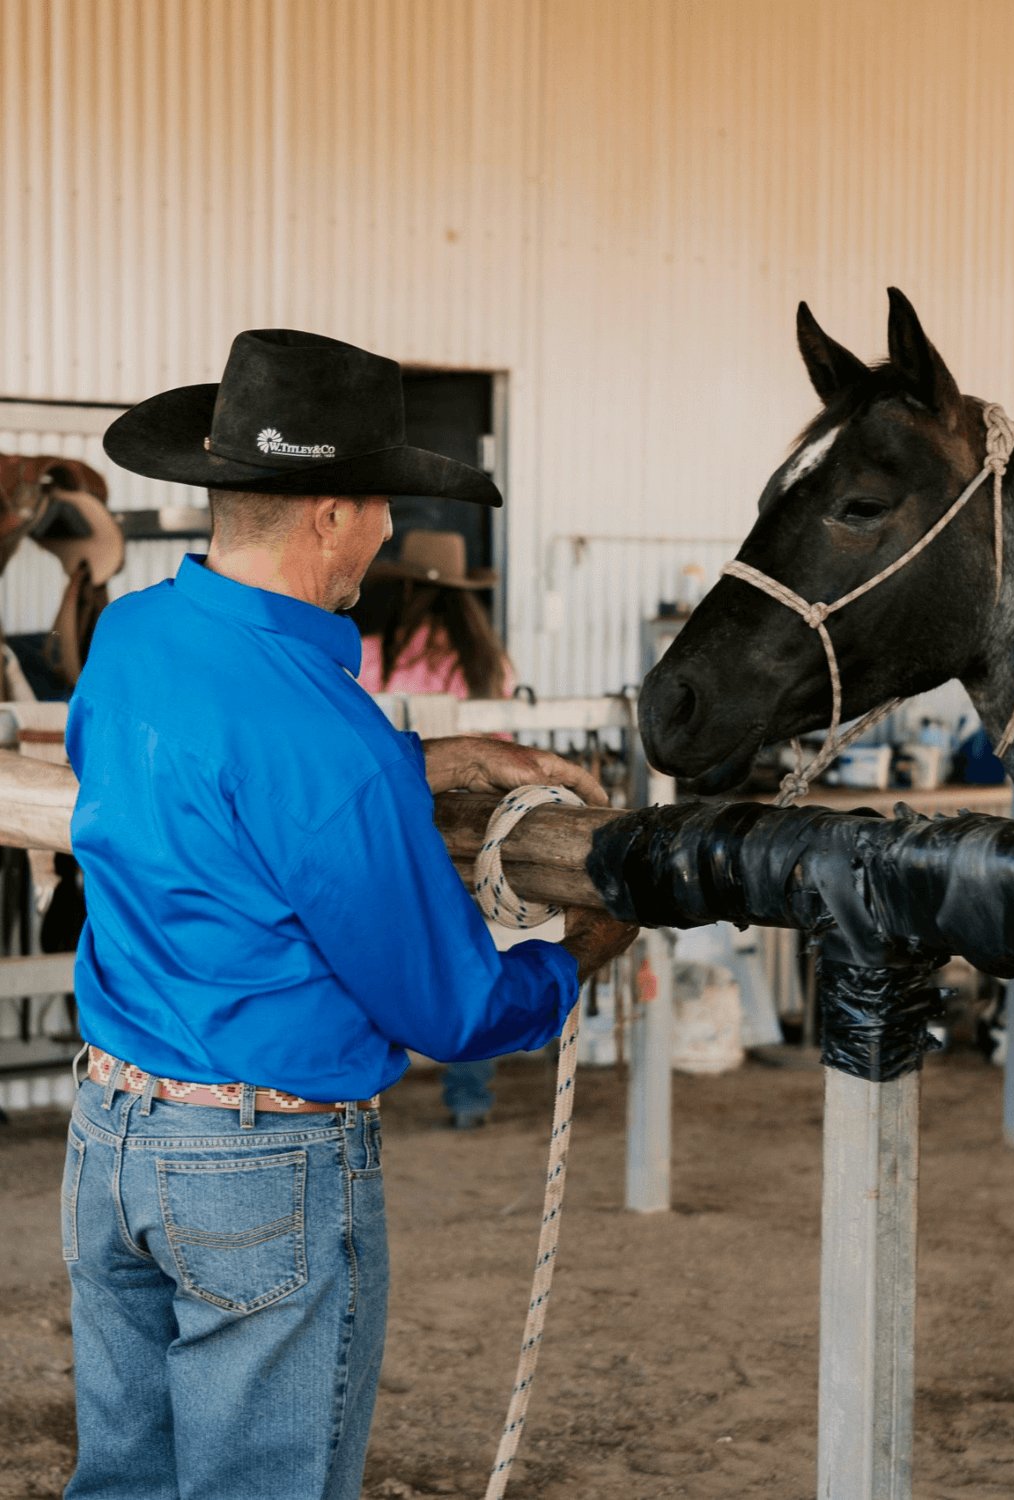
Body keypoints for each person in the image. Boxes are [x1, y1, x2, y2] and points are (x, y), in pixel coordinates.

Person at [62, 328, 636, 1500]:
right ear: (329, 512)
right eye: (378, 502)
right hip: (258, 1164)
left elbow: (210, 794)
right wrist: (595, 940)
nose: (385, 531)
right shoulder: (330, 743)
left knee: (125, 1481)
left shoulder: (129, 639)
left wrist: (415, 757)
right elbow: (454, 1007)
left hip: (111, 1132)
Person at [359, 528, 513, 1128]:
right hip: (468, 830)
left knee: (370, 954)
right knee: (470, 960)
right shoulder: (484, 661)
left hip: (391, 830)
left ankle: (366, 1086)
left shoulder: (372, 655)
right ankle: (469, 1097)